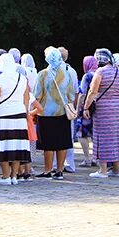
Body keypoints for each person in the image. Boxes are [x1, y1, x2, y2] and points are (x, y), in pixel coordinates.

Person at [0, 52, 31, 185]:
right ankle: (14, 176)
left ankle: (5, 176)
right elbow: (26, 97)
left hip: (4, 115)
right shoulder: (22, 78)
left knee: (4, 145)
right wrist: (25, 111)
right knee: (17, 145)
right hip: (19, 114)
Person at [82, 49, 119, 178]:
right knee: (117, 138)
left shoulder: (100, 72)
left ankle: (102, 170)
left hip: (104, 109)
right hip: (118, 109)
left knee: (102, 137)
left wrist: (86, 108)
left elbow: (92, 91)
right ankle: (117, 170)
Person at [34, 46, 77, 180]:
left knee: (48, 144)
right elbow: (71, 95)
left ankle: (47, 170)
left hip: (46, 113)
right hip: (63, 112)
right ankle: (59, 170)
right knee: (62, 142)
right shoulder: (67, 73)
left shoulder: (42, 74)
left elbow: (37, 95)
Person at [76, 55, 97, 165]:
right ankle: (96, 158)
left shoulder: (87, 76)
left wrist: (79, 108)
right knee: (95, 134)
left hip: (86, 108)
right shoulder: (99, 74)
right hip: (98, 108)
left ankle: (87, 158)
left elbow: (82, 93)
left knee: (82, 134)